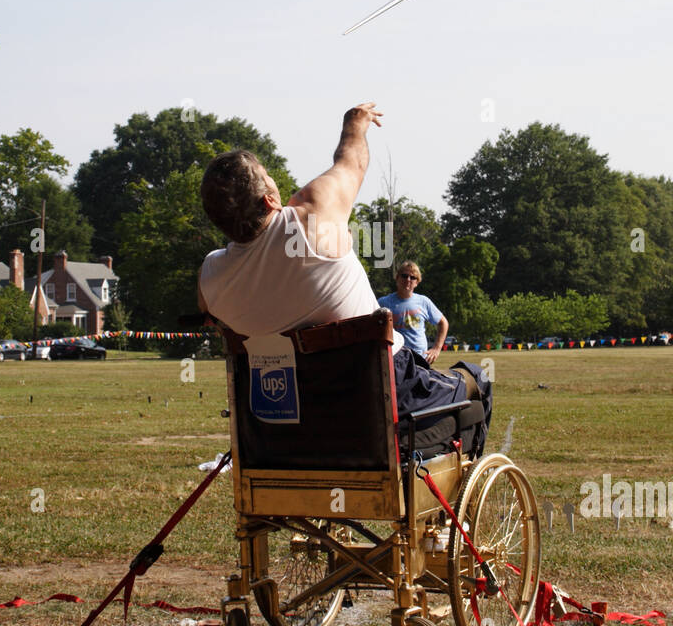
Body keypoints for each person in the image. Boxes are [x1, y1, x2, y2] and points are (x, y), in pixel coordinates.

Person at [197, 102, 491, 449]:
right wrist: (355, 124)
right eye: (268, 176)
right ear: (269, 201)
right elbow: (351, 161)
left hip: (288, 435)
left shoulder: (210, 279)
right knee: (476, 379)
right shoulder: (310, 217)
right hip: (381, 402)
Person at [378, 261, 449, 364]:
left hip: (420, 359)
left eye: (412, 277)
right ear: (397, 278)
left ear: (417, 282)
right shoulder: (383, 302)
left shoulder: (424, 301)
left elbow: (443, 323)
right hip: (395, 359)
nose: (408, 280)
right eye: (404, 276)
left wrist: (437, 349)